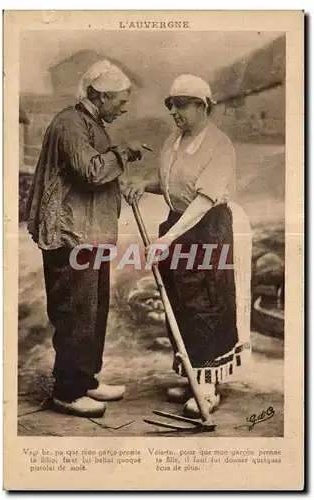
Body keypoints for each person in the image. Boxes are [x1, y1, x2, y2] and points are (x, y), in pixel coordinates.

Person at [125, 74, 252, 418]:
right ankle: (193, 376)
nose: (174, 111)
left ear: (202, 106)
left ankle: (208, 387)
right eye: (170, 104)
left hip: (207, 228)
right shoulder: (174, 140)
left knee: (205, 304)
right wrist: (144, 185)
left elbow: (203, 199)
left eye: (180, 104)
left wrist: (167, 239)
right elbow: (175, 186)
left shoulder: (218, 145)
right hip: (178, 224)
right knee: (178, 302)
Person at [26, 60, 144, 418]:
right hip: (69, 236)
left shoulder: (90, 123)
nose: (124, 107)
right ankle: (68, 391)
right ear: (102, 95)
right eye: (120, 101)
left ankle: (87, 380)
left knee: (93, 311)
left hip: (89, 236)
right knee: (76, 313)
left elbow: (98, 173)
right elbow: (91, 171)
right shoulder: (69, 124)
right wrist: (123, 153)